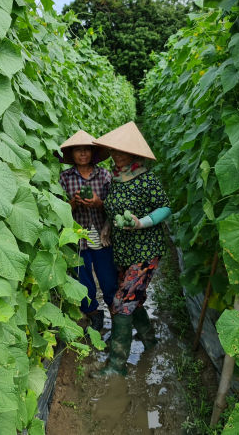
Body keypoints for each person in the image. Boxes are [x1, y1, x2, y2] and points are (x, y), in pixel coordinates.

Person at [90, 122, 172, 377]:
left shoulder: (145, 178)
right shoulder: (115, 178)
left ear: (134, 152)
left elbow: (165, 207)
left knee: (122, 301)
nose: (118, 153)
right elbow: (113, 209)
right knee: (132, 300)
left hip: (145, 251)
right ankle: (150, 342)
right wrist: (106, 226)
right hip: (123, 250)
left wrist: (141, 222)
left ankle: (117, 364)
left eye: (123, 149)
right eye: (115, 149)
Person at [58, 130, 118, 333]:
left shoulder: (104, 176)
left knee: (108, 278)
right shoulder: (65, 178)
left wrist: (98, 203)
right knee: (82, 281)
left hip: (101, 234)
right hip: (77, 238)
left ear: (93, 153)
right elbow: (59, 210)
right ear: (72, 154)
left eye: (86, 150)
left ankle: (117, 318)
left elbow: (113, 206)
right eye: (78, 150)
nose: (83, 154)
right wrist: (74, 202)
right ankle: (94, 314)